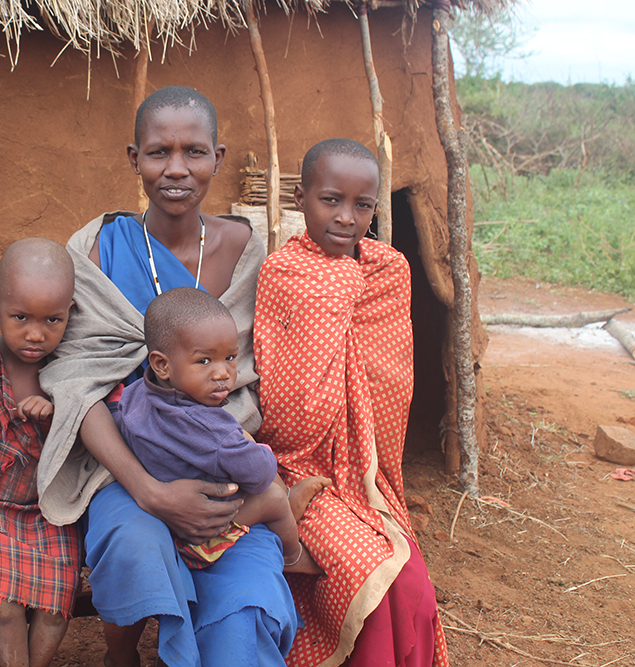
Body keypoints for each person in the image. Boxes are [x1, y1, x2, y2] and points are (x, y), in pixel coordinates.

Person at [36, 86, 298, 667]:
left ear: (218, 159)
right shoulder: (99, 247)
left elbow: (262, 372)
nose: (176, 169)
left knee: (243, 610)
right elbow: (78, 382)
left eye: (194, 152)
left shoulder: (250, 252)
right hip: (120, 470)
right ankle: (121, 653)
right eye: (158, 153)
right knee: (134, 543)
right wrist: (149, 490)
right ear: (135, 159)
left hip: (221, 467)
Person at [253, 138, 449, 667]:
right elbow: (278, 393)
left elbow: (392, 380)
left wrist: (366, 457)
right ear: (300, 198)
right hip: (298, 467)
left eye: (362, 206)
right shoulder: (283, 273)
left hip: (368, 469)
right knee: (367, 568)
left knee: (412, 581)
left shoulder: (389, 271)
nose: (346, 217)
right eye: (331, 200)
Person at [112, 286, 328, 572]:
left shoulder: (136, 393)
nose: (222, 373)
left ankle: (289, 502)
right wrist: (253, 444)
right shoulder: (215, 434)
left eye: (230, 357)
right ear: (162, 365)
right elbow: (260, 474)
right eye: (204, 361)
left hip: (161, 520)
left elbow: (116, 412)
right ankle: (293, 556)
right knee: (272, 497)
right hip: (199, 535)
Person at [0, 238, 82, 667]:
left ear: (71, 313)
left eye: (52, 319)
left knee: (56, 604)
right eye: (20, 318)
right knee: (4, 601)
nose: (36, 334)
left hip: (51, 510)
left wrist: (54, 416)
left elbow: (82, 442)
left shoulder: (68, 371)